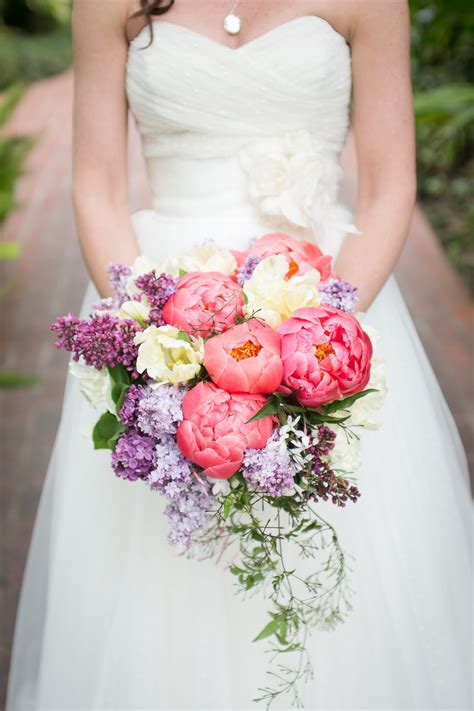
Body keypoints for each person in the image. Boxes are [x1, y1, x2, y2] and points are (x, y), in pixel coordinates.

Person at [6, 1, 472, 709]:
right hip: (162, 308)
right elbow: (95, 187)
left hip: (325, 299)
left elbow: (387, 188)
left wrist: (315, 336)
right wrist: (160, 342)